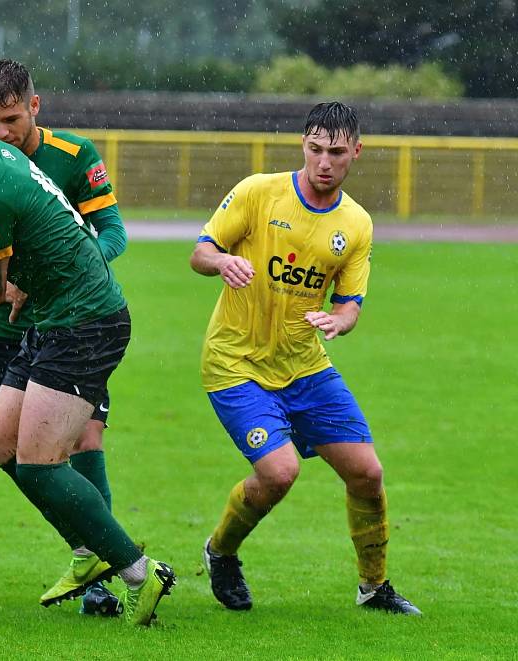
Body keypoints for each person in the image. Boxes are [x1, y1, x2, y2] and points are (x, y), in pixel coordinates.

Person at [0, 82, 175, 625]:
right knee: (0, 444)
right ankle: (87, 553)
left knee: (42, 461)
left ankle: (139, 571)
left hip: (86, 325)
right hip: (48, 324)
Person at [190, 101, 421, 616]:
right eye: (315, 149)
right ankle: (221, 551)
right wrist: (222, 261)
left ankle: (374, 587)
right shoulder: (257, 191)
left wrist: (340, 321)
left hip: (305, 366)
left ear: (355, 152)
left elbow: (350, 304)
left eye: (336, 152)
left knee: (367, 473)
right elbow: (200, 251)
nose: (323, 162)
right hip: (236, 364)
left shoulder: (356, 223)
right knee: (279, 473)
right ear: (303, 144)